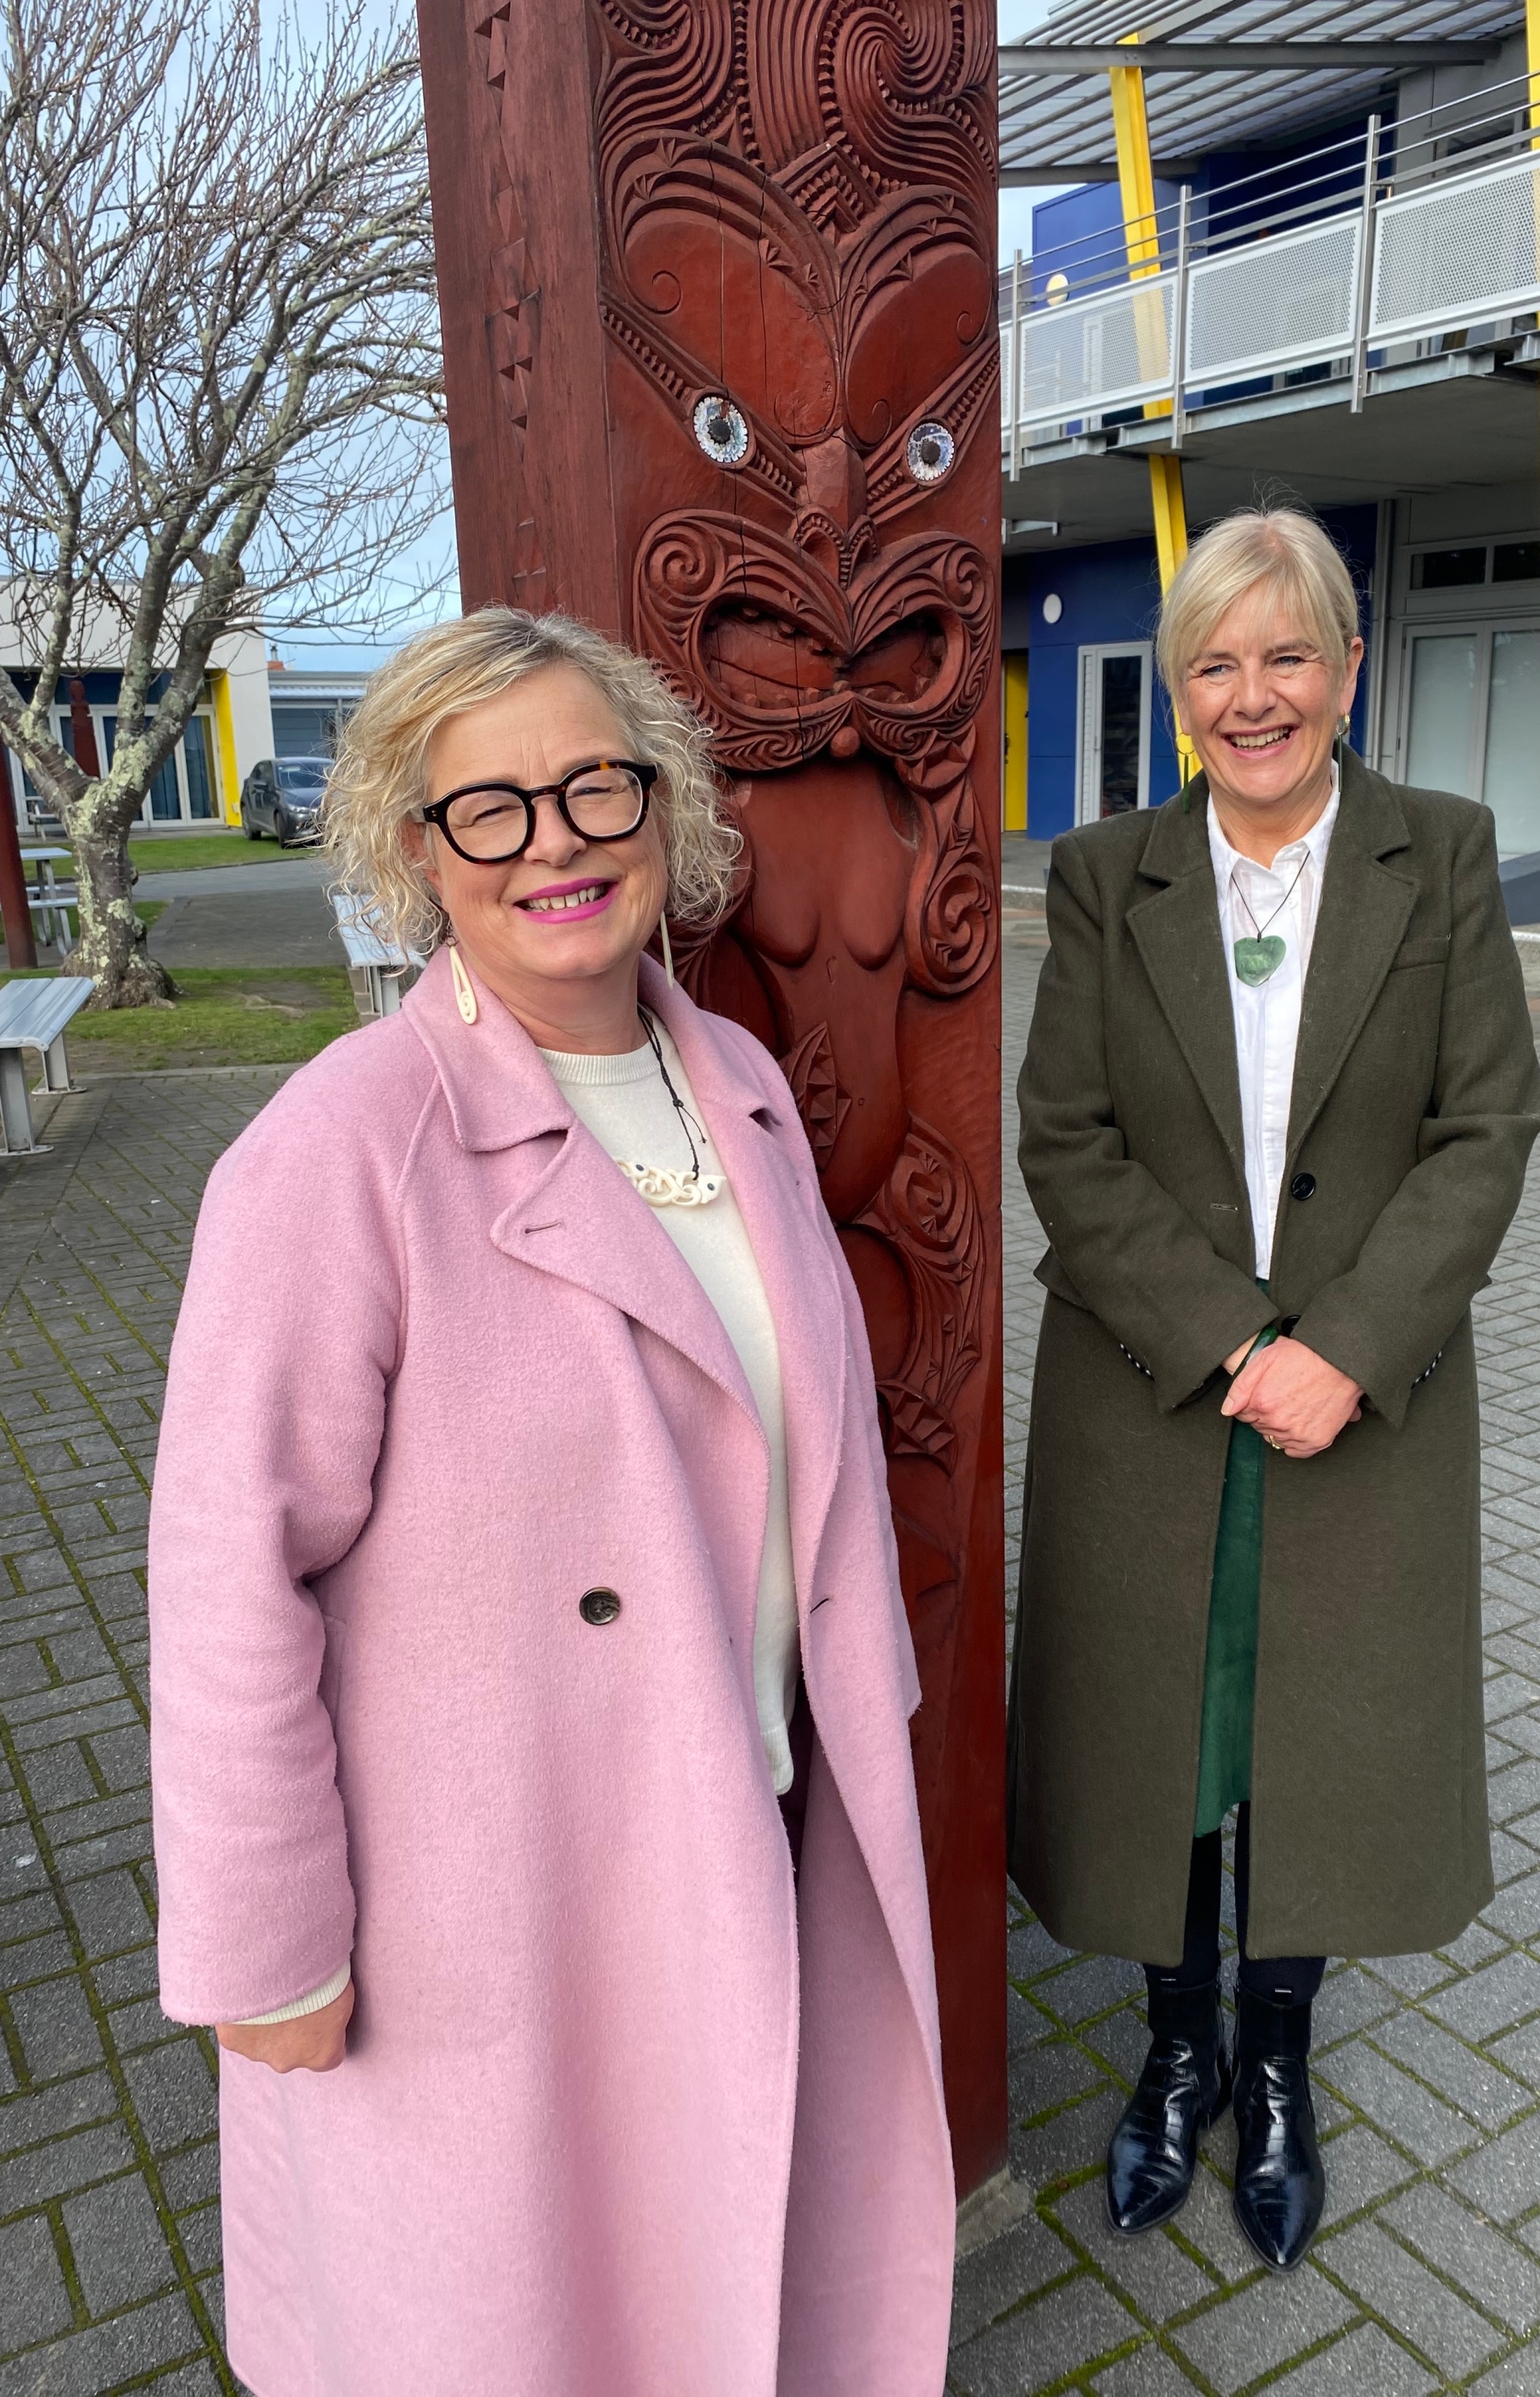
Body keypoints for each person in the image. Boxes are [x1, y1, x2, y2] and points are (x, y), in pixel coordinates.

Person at [148, 609, 955, 2396]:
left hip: (727, 1815)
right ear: (413, 852)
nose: (557, 841)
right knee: (513, 2318)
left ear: (662, 808)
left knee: (709, 2272)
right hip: (479, 1905)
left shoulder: (733, 1082)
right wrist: (265, 1947)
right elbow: (223, 1575)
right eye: (489, 807)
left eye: (596, 784)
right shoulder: (338, 1149)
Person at [1010, 506, 1540, 2270]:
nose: (1252, 697)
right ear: (1178, 692)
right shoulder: (1105, 875)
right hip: (1152, 1391)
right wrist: (1235, 1342)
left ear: (1344, 665)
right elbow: (1066, 1142)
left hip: (1362, 1401)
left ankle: (1278, 2055)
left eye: (1284, 654)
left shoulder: (1439, 856)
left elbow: (1484, 1129)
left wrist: (1343, 1346)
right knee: (1170, 1728)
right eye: (1214, 664)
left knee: (1301, 1733)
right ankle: (1173, 2043)